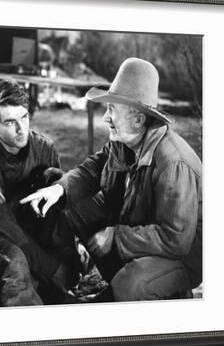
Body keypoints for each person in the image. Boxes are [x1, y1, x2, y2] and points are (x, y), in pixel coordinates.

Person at [21, 58, 202, 301]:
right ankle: (86, 280)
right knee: (67, 212)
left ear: (138, 119)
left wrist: (116, 236)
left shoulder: (173, 163)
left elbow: (176, 239)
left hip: (181, 254)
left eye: (111, 109)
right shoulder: (125, 140)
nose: (105, 118)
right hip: (136, 224)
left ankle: (165, 296)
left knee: (131, 284)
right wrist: (59, 189)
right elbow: (93, 168)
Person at [0, 79, 81, 306]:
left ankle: (59, 289)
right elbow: (5, 223)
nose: (21, 129)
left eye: (24, 117)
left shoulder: (44, 146)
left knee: (55, 177)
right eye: (9, 122)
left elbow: (59, 207)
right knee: (16, 262)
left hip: (28, 216)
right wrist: (48, 266)